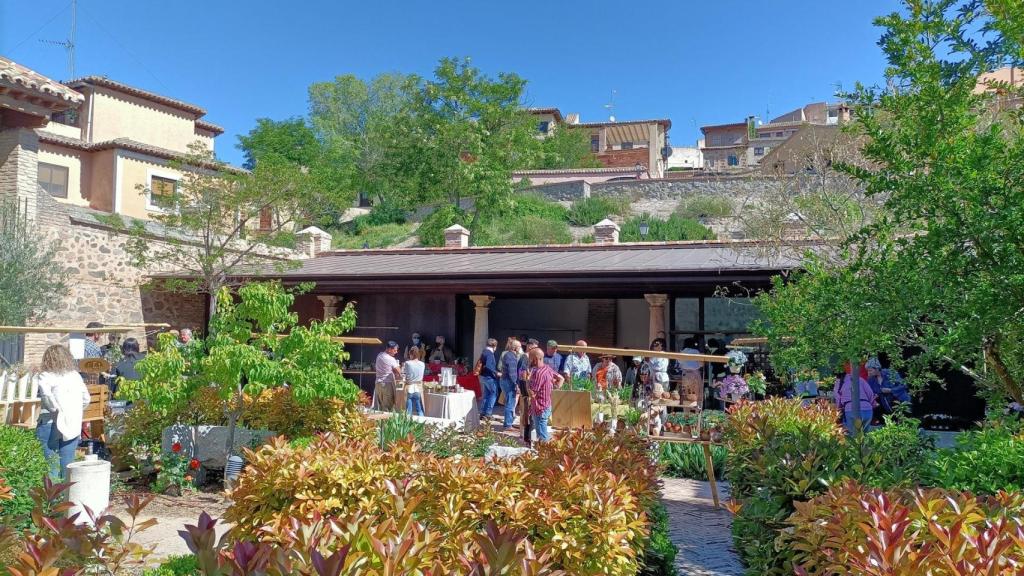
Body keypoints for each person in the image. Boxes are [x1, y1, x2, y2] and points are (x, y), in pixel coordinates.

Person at [34, 345, 91, 480]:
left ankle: (52, 500)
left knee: (51, 466)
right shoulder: (75, 375)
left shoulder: (46, 375)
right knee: (67, 466)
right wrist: (71, 411)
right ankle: (66, 498)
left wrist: (57, 412)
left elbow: (47, 398)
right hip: (72, 423)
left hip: (50, 421)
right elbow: (86, 399)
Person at [528, 347, 563, 442]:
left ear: (536, 359)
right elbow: (561, 378)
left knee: (542, 437)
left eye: (530, 358)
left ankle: (546, 453)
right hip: (546, 405)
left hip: (540, 408)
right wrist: (556, 388)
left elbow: (532, 393)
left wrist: (527, 381)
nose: (529, 361)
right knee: (542, 435)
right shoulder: (547, 368)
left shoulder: (539, 373)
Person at [834, 368, 876, 434]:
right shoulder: (859, 379)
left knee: (854, 437)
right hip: (868, 410)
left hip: (851, 410)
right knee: (865, 435)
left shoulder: (838, 383)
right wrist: (872, 404)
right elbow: (870, 393)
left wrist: (838, 411)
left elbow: (838, 399)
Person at [498, 338, 522, 430]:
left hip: (505, 380)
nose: (520, 348)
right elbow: (512, 373)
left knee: (509, 402)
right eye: (519, 347)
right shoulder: (511, 356)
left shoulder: (508, 355)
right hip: (509, 382)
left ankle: (508, 423)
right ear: (515, 348)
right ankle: (508, 425)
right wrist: (516, 384)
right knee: (510, 403)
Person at [374, 341, 402, 411]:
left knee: (380, 407)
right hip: (387, 385)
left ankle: (380, 421)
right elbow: (399, 371)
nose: (396, 352)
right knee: (388, 408)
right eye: (395, 350)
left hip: (378, 384)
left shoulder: (379, 355)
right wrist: (398, 365)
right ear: (389, 349)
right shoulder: (391, 359)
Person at [477, 338, 500, 421]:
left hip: (484, 376)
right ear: (494, 346)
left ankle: (483, 413)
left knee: (486, 394)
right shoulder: (490, 353)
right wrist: (496, 372)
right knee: (494, 394)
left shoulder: (484, 352)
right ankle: (488, 414)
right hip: (489, 377)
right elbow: (489, 365)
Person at [402, 346, 425, 416]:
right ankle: (422, 423)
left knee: (409, 410)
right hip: (418, 388)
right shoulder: (422, 364)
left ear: (410, 354)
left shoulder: (407, 363)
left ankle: (408, 424)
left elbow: (404, 373)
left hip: (409, 387)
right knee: (419, 409)